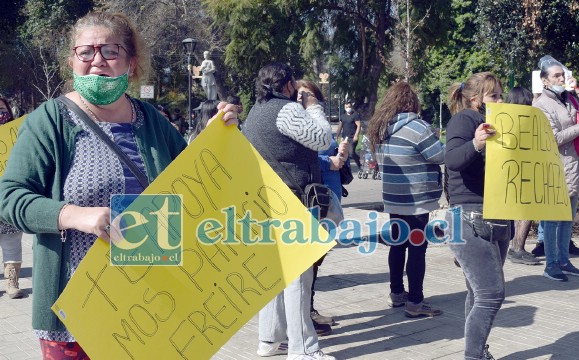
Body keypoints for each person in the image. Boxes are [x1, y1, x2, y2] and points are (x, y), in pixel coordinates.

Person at [0, 12, 238, 359]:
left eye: (110, 51)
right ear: (73, 61)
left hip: (152, 306)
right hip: (76, 313)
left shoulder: (152, 120)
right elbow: (9, 198)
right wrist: (72, 215)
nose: (97, 61)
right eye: (86, 52)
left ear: (131, 62)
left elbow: (191, 184)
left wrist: (216, 137)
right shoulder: (48, 121)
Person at [243, 63, 334, 360]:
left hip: (266, 201)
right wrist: (313, 105)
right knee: (298, 278)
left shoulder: (255, 111)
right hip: (294, 201)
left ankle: (269, 340)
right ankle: (303, 350)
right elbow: (322, 139)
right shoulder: (286, 110)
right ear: (288, 84)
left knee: (275, 276)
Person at [445, 72, 509, 360]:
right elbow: (453, 160)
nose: (500, 100)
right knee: (491, 294)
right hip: (470, 216)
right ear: (475, 99)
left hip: (495, 215)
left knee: (478, 293)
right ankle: (473, 356)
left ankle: (478, 351)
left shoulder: (498, 122)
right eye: (494, 95)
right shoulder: (465, 119)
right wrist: (477, 143)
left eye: (500, 94)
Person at [367, 82, 444, 318]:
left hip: (393, 197)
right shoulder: (418, 128)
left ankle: (397, 293)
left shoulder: (380, 128)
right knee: (418, 248)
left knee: (398, 244)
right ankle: (415, 302)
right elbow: (439, 155)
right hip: (416, 198)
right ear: (411, 103)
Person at [296, 79, 350, 337]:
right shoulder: (297, 122)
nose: (308, 99)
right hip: (314, 199)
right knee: (311, 262)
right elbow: (300, 156)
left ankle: (310, 311)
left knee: (318, 259)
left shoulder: (317, 122)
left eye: (311, 95)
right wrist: (329, 161)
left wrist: (341, 155)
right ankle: (306, 315)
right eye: (304, 94)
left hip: (330, 197)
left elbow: (327, 151)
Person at [533, 55, 579, 281]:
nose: (561, 78)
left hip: (572, 166)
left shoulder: (569, 98)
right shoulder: (541, 105)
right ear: (544, 81)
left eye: (563, 74)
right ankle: (551, 264)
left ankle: (564, 260)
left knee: (567, 218)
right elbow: (553, 138)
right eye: (556, 75)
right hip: (554, 168)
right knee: (552, 219)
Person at [503, 87, 542, 266]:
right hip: (522, 171)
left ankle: (513, 247)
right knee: (526, 210)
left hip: (508, 171)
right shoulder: (524, 122)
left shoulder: (502, 119)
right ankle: (517, 248)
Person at [0, 97, 25, 299]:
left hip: (9, 199)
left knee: (12, 242)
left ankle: (12, 281)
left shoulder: (18, 135)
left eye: (2, 109)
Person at [336, 102, 361, 168]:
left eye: (349, 107)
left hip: (352, 137)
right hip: (345, 138)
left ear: (351, 107)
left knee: (351, 153)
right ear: (344, 108)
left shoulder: (355, 115)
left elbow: (359, 125)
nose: (348, 108)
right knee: (342, 152)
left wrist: (356, 135)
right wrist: (337, 135)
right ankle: (344, 167)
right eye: (346, 107)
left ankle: (359, 163)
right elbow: (340, 127)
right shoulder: (343, 116)